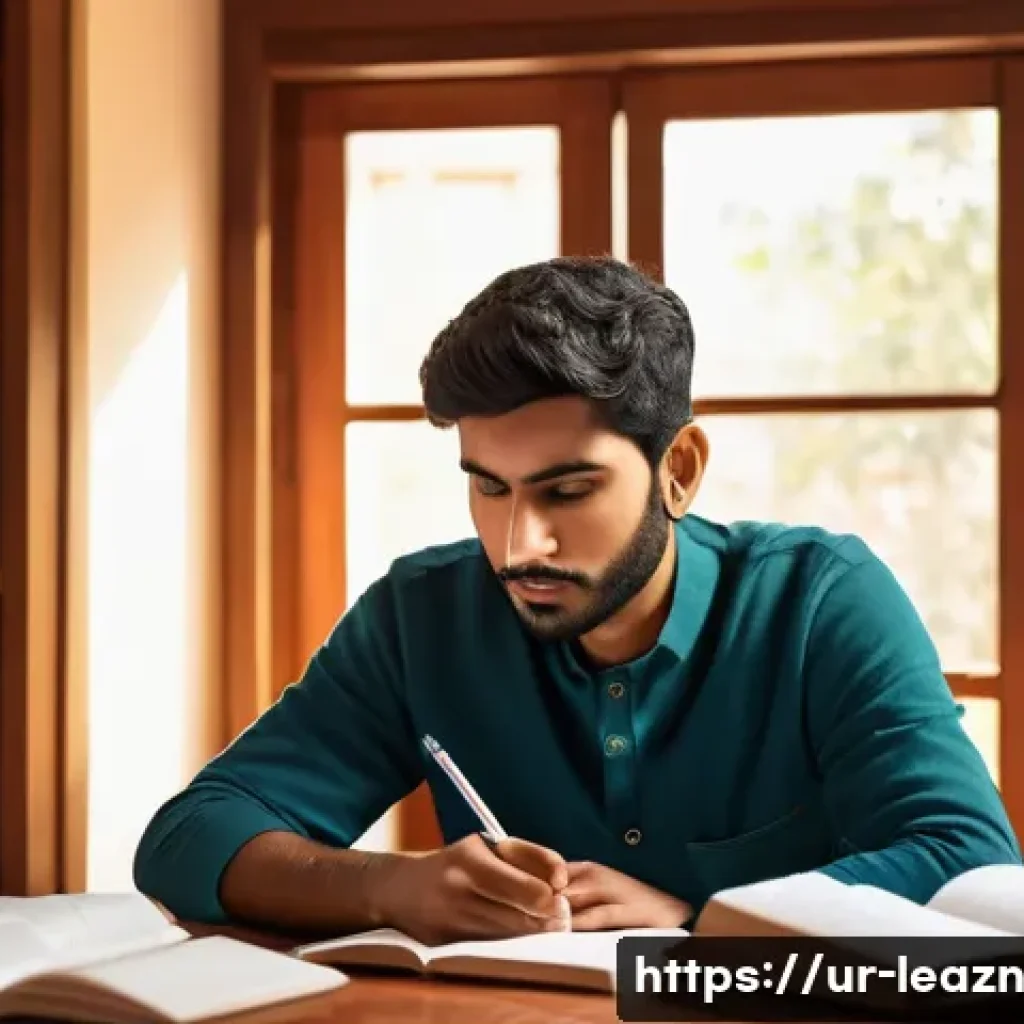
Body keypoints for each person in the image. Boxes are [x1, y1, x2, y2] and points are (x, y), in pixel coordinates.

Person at [133, 256, 1021, 944]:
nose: (519, 545)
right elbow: (189, 838)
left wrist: (698, 918)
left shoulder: (822, 600)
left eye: (565, 492)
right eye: (488, 488)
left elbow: (967, 857)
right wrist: (388, 886)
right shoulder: (422, 615)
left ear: (678, 470)